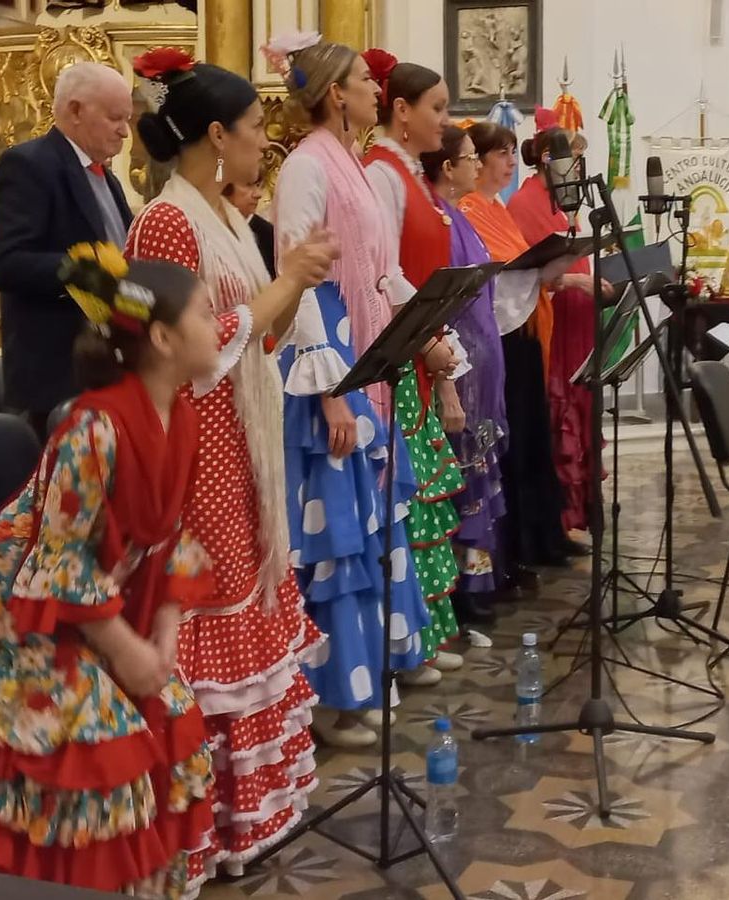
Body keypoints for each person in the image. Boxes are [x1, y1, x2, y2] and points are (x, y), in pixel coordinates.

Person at [0, 246, 218, 897]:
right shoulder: (94, 428)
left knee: (174, 712)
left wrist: (164, 638)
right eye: (207, 314)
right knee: (103, 745)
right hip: (32, 614)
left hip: (102, 600)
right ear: (161, 336)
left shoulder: (181, 418)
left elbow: (169, 539)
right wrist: (124, 648)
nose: (220, 324)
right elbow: (55, 560)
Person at [123, 50, 339, 878]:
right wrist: (285, 282)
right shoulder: (166, 223)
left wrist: (289, 290)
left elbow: (259, 328)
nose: (263, 148)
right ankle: (200, 831)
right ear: (216, 136)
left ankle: (251, 817)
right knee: (211, 621)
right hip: (193, 453)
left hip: (239, 443)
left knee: (250, 605)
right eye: (254, 132)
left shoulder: (214, 213)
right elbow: (190, 351)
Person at [265, 32, 434, 749]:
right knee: (332, 536)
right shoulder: (306, 166)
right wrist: (329, 390)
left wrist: (431, 327)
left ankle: (376, 667)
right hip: (324, 363)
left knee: (369, 520)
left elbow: (380, 270)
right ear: (336, 94)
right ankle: (330, 698)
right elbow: (297, 275)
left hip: (361, 356)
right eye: (366, 81)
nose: (375, 90)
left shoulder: (355, 164)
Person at [361, 52, 483, 640]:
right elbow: (382, 273)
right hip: (402, 356)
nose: (448, 119)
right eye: (439, 107)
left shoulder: (407, 173)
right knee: (409, 504)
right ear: (402, 111)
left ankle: (424, 635)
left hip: (423, 350)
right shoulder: (383, 174)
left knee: (427, 505)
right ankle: (406, 640)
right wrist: (430, 343)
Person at [0, 62, 135, 439]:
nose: (125, 130)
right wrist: (87, 271)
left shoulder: (106, 176)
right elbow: (6, 265)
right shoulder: (28, 164)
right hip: (56, 372)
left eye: (127, 118)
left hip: (105, 366)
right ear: (75, 110)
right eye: (115, 117)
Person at [458, 121, 577, 578]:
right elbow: (490, 273)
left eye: (512, 153)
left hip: (523, 329)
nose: (511, 162)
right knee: (514, 441)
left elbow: (518, 264)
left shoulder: (498, 207)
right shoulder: (469, 209)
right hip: (501, 336)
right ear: (480, 161)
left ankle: (544, 537)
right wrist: (533, 270)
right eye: (501, 154)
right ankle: (518, 547)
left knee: (533, 437)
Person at [419, 125, 508, 617]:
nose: (477, 165)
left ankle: (479, 581)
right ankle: (462, 590)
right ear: (447, 168)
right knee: (462, 477)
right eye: (470, 158)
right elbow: (443, 308)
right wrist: (448, 383)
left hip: (482, 360)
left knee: (480, 468)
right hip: (462, 367)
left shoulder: (460, 217)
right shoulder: (442, 224)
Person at [508, 126, 606, 548]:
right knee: (558, 414)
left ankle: (580, 511)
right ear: (548, 158)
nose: (578, 168)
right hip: (553, 323)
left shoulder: (560, 201)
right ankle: (560, 516)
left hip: (578, 324)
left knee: (583, 409)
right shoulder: (523, 202)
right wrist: (576, 282)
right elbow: (525, 270)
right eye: (572, 159)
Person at [226, 175, 277, 279]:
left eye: (258, 185)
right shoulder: (202, 227)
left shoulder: (267, 233)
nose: (258, 194)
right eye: (248, 185)